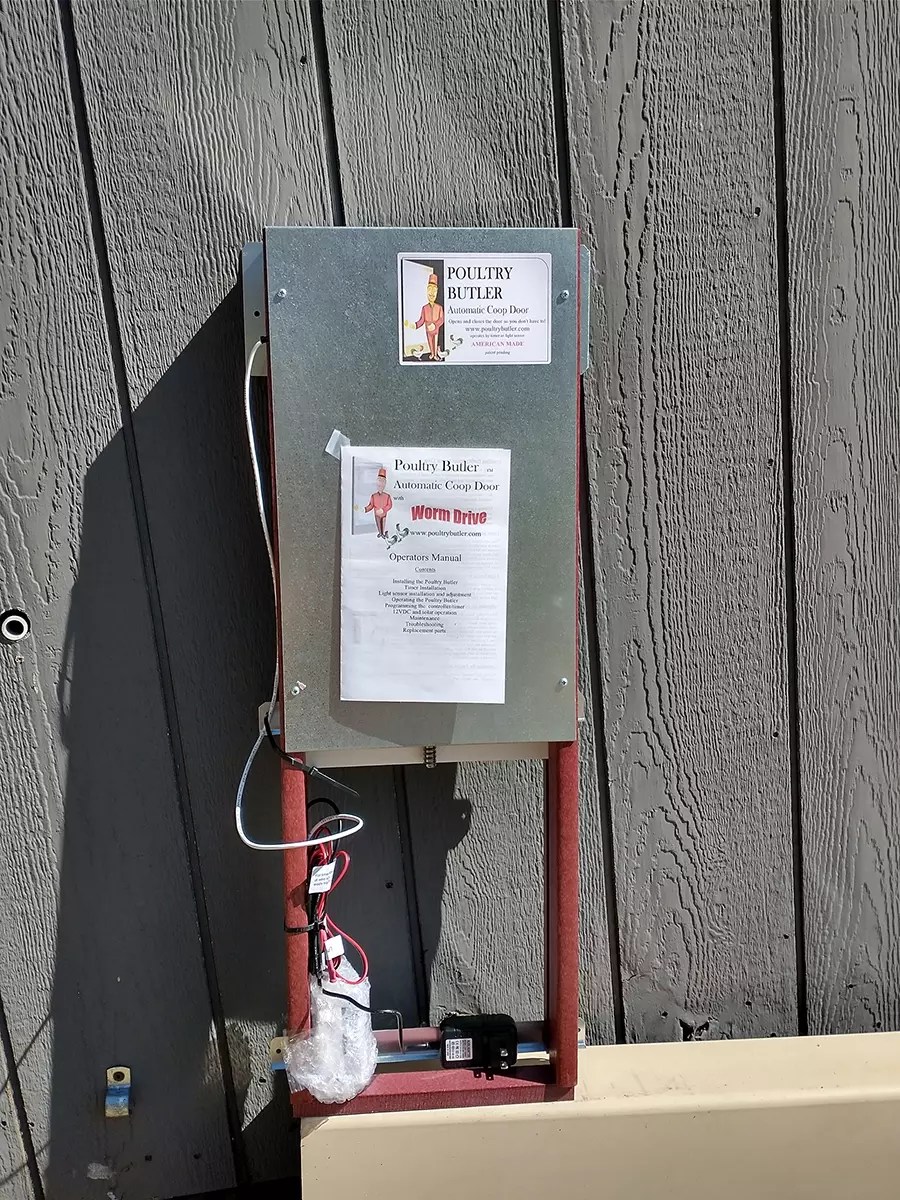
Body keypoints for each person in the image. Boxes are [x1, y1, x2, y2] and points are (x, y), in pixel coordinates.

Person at [405, 270, 444, 360]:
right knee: (430, 342)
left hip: (436, 330)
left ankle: (435, 355)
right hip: (427, 330)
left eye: (434, 290)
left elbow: (442, 319)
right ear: (426, 291)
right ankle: (432, 353)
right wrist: (412, 325)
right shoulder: (424, 308)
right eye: (430, 289)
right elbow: (421, 321)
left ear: (437, 292)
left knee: (435, 341)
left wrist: (435, 325)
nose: (432, 293)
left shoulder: (439, 307)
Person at [364, 467, 392, 537]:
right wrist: (365, 509)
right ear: (376, 482)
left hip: (384, 514)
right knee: (378, 524)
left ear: (385, 483)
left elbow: (389, 505)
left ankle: (383, 533)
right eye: (379, 481)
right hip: (376, 514)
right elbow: (371, 505)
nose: (381, 483)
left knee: (383, 523)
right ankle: (380, 533)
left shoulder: (387, 496)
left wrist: (383, 510)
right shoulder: (374, 496)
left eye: (383, 481)